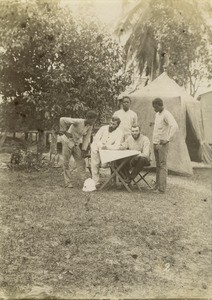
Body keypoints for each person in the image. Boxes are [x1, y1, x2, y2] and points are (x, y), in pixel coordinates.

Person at [59, 110, 97, 188]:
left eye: (94, 120)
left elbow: (86, 138)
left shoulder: (90, 126)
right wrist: (64, 131)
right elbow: (62, 119)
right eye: (92, 120)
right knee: (66, 162)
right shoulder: (78, 121)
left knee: (82, 162)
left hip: (75, 143)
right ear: (88, 118)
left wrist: (83, 150)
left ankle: (83, 181)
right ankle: (67, 182)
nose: (93, 122)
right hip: (67, 141)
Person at [152, 98, 178, 193]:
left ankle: (162, 188)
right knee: (158, 165)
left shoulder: (167, 114)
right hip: (156, 142)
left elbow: (174, 126)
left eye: (155, 107)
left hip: (162, 144)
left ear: (159, 105)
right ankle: (157, 185)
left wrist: (167, 139)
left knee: (162, 165)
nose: (154, 109)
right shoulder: (157, 114)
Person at [90, 115, 123, 187]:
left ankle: (113, 180)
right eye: (110, 123)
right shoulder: (103, 128)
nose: (111, 125)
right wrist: (101, 146)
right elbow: (96, 139)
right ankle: (96, 182)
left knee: (104, 165)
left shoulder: (119, 132)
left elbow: (117, 145)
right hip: (97, 147)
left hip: (109, 150)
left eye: (114, 124)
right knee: (95, 163)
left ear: (117, 125)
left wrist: (107, 147)